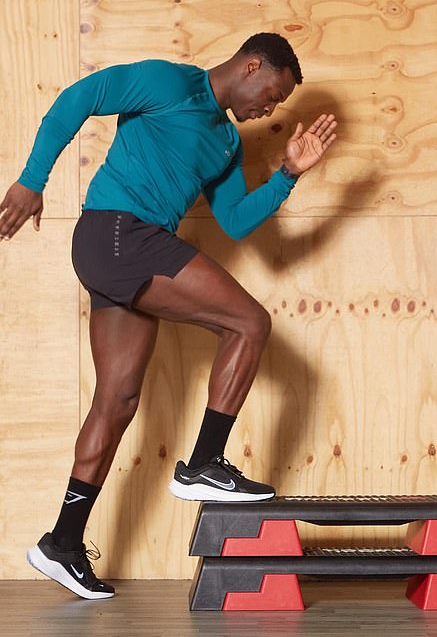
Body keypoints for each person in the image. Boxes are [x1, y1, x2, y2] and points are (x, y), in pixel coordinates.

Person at [0, 32, 337, 600]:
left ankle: (62, 541)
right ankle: (205, 461)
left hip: (128, 251)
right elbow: (79, 98)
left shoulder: (227, 142)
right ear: (251, 65)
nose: (268, 109)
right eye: (272, 94)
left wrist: (287, 175)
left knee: (118, 401)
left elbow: (232, 221)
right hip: (117, 233)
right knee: (249, 323)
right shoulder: (169, 83)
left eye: (277, 106)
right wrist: (33, 180)